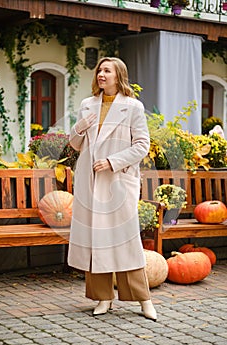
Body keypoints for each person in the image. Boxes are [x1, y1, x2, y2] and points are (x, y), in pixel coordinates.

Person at [67, 57, 157, 321]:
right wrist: (79, 127)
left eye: (107, 70)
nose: (101, 74)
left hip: (118, 181)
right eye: (99, 70)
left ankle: (144, 300)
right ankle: (103, 297)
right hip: (89, 181)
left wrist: (112, 162)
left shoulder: (132, 107)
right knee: (96, 240)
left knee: (126, 241)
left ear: (119, 76)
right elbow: (75, 144)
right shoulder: (87, 104)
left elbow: (142, 145)